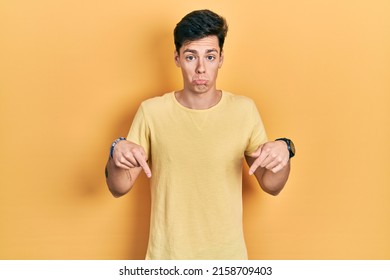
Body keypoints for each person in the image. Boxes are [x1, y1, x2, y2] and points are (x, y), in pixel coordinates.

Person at [105, 9, 295, 260]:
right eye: (191, 56)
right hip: (167, 258)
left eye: (210, 56)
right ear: (177, 58)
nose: (201, 68)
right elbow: (118, 187)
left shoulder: (243, 110)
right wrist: (116, 150)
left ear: (221, 58)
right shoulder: (152, 112)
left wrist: (284, 149)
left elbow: (272, 185)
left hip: (228, 261)